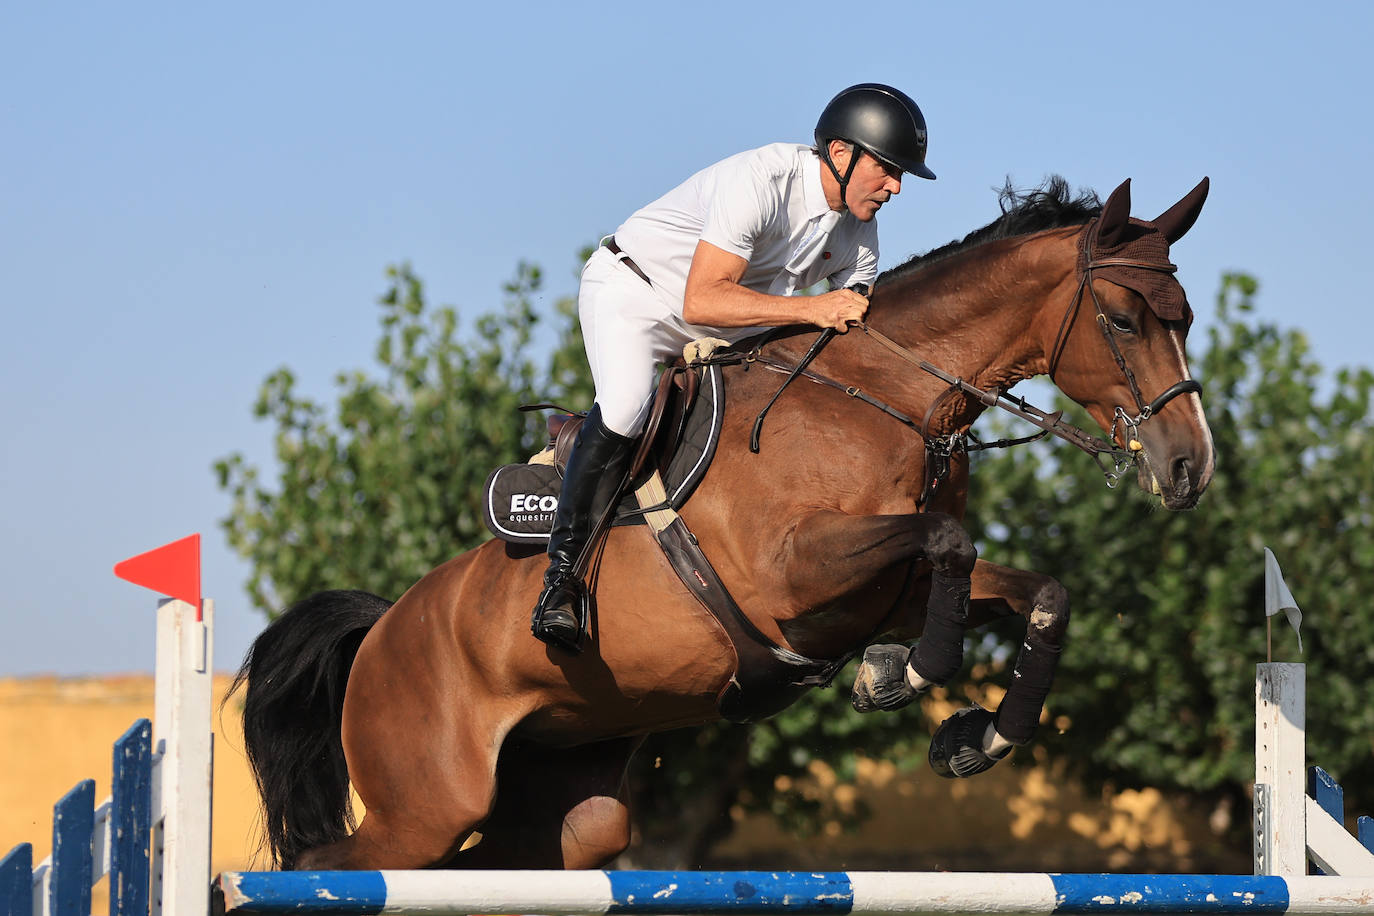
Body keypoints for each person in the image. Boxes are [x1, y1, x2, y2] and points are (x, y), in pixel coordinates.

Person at [531, 82, 937, 651]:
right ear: (841, 154)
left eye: (901, 175)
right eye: (888, 169)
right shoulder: (763, 181)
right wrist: (813, 307)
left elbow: (852, 335)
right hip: (638, 294)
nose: (895, 188)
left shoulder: (859, 230)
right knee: (626, 408)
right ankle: (562, 579)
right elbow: (702, 301)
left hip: (727, 326)